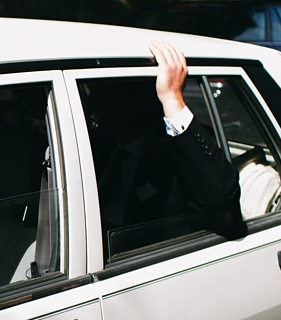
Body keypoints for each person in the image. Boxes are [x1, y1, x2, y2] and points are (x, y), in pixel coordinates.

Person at [86, 41, 246, 242]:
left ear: (140, 98)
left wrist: (172, 99)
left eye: (102, 93)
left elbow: (219, 197)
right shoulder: (94, 143)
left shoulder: (181, 149)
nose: (91, 103)